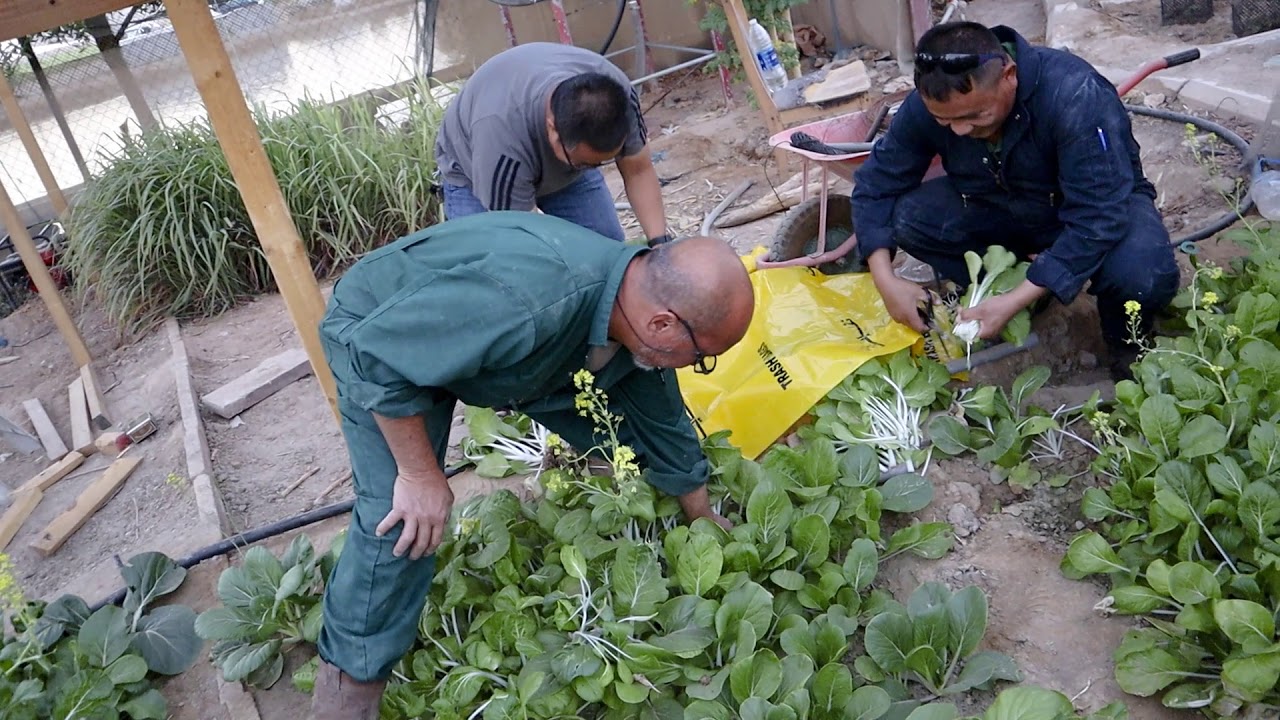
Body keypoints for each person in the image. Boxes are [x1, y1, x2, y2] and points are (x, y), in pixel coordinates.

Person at [308, 211, 755, 718]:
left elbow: (663, 414)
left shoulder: (627, 303)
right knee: (403, 522)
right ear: (662, 323)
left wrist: (700, 512)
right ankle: (348, 686)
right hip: (382, 333)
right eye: (700, 356)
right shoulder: (531, 301)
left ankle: (624, 484)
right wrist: (418, 475)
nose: (695, 366)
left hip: (485, 339)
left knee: (627, 422)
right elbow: (380, 357)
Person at [851, 21, 1180, 380]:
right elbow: (876, 184)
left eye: (975, 116)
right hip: (1004, 206)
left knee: (1142, 274)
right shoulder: (929, 106)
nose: (960, 130)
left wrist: (1016, 298)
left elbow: (1098, 216)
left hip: (1091, 208)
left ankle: (1127, 349)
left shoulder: (1074, 95)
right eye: (944, 122)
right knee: (908, 217)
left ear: (1009, 75)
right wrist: (886, 280)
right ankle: (1022, 296)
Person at [435, 42, 673, 246]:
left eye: (602, 162)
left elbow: (638, 170)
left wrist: (659, 244)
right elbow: (526, 237)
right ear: (552, 127)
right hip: (473, 176)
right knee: (501, 276)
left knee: (606, 249)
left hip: (561, 160)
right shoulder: (500, 142)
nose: (597, 167)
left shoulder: (617, 96)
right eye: (585, 163)